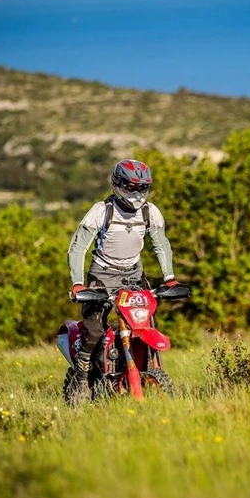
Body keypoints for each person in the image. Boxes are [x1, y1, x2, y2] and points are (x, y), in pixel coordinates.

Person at [67, 159, 178, 398]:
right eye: (131, 187)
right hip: (103, 276)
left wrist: (170, 279)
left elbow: (161, 244)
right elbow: (77, 248)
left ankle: (150, 373)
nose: (137, 193)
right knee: (94, 329)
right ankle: (82, 380)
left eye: (142, 188)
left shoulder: (150, 212)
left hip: (134, 276)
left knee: (146, 323)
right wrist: (78, 283)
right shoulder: (101, 211)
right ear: (117, 184)